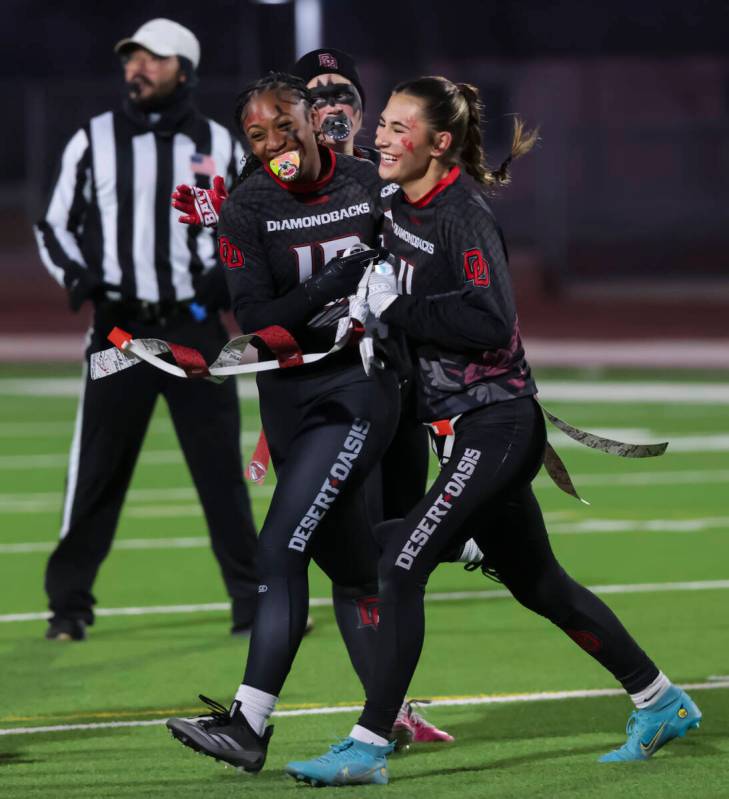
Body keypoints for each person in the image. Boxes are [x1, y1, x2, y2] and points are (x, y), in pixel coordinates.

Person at [285, 76, 702, 786]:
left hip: (497, 425)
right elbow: (370, 270)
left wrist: (396, 312)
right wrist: (332, 309)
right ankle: (659, 698)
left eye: (395, 126)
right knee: (538, 582)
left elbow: (486, 318)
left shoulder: (461, 215)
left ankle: (368, 743)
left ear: (437, 143)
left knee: (395, 565)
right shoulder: (395, 203)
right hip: (458, 429)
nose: (379, 135)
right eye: (381, 123)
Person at [165, 72, 403, 773]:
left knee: (277, 550)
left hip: (357, 394)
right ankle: (377, 734)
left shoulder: (369, 183)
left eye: (283, 124)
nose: (273, 142)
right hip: (291, 402)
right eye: (256, 135)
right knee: (357, 573)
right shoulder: (246, 207)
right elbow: (257, 319)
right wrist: (338, 279)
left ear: (312, 118)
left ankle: (249, 723)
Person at [33, 18, 259, 641]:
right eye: (132, 58)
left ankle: (252, 602)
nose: (138, 68)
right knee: (97, 470)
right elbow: (53, 225)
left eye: (153, 59)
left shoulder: (220, 144)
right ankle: (68, 608)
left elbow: (249, 230)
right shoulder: (93, 139)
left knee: (219, 474)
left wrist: (228, 279)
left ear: (183, 69)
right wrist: (82, 283)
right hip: (120, 336)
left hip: (196, 332)